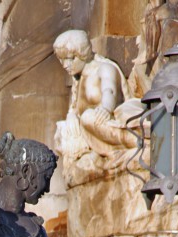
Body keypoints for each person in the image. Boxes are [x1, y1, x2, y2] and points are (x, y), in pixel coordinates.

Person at [53, 30, 143, 166]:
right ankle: (98, 151)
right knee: (62, 132)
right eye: (62, 60)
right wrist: (71, 116)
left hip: (107, 120)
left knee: (88, 117)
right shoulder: (78, 78)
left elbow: (109, 91)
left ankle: (135, 141)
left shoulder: (104, 68)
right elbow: (75, 107)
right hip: (90, 129)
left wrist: (106, 108)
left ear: (82, 54)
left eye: (71, 59)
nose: (66, 65)